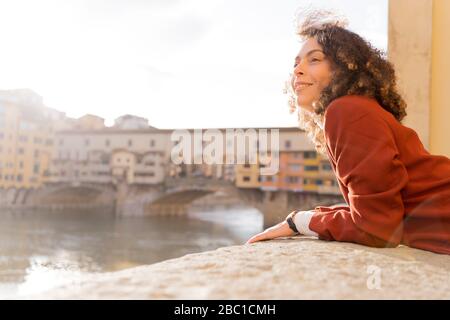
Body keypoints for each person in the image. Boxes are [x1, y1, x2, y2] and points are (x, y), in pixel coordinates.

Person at [246, 10, 450, 255]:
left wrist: (301, 222)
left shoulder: (346, 111)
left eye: (314, 59)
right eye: (296, 63)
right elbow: (372, 209)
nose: (298, 70)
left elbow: (377, 229)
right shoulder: (357, 110)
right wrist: (303, 219)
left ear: (344, 70)